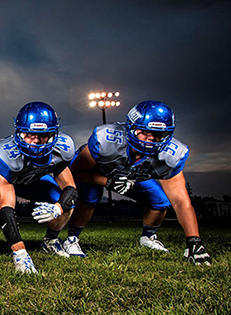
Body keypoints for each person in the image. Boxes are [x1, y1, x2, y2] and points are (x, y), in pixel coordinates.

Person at [62, 100, 211, 265]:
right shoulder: (106, 139)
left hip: (133, 176)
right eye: (145, 132)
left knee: (161, 201)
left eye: (158, 134)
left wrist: (194, 241)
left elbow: (180, 200)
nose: (151, 139)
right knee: (91, 195)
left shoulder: (171, 155)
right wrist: (108, 182)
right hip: (98, 172)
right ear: (131, 128)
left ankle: (148, 237)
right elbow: (76, 172)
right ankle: (72, 239)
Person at [0, 101, 77, 274]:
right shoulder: (5, 154)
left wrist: (58, 207)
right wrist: (20, 252)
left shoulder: (62, 148)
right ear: (19, 133)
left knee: (67, 204)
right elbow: (6, 208)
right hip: (0, 177)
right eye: (29, 134)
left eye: (42, 135)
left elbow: (70, 188)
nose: (36, 141)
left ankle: (50, 240)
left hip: (31, 179)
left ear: (53, 134)